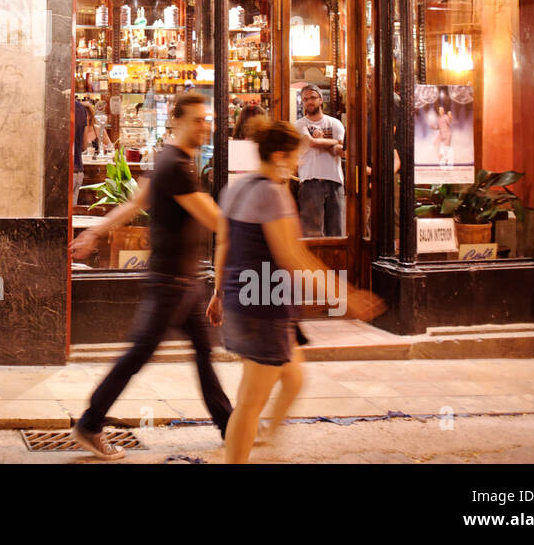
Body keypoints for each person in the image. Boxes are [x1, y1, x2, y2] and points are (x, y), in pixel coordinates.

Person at [68, 92, 234, 461]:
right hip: (171, 282)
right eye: (196, 119)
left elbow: (133, 203)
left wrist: (96, 231)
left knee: (204, 352)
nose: (204, 125)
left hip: (183, 281)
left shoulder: (170, 161)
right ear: (176, 122)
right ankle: (90, 423)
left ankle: (230, 426)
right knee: (138, 354)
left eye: (207, 119)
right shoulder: (174, 165)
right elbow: (217, 221)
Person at [209, 117, 383, 463]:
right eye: (295, 155)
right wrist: (343, 297)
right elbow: (293, 256)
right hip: (262, 305)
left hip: (245, 299)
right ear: (278, 155)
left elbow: (224, 244)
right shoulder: (272, 194)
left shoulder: (236, 189)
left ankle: (267, 442)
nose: (299, 162)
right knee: (249, 404)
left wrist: (217, 293)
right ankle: (243, 451)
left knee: (293, 378)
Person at [295, 84, 345, 238]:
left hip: (335, 181)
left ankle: (335, 263)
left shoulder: (335, 123)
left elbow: (343, 150)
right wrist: (333, 142)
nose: (309, 102)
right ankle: (313, 263)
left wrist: (324, 142)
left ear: (321, 99)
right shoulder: (299, 125)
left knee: (336, 232)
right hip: (310, 182)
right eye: (305, 99)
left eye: (313, 98)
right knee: (312, 233)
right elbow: (311, 142)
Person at [72, 97, 92, 206]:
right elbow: (84, 146)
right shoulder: (80, 108)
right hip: (77, 170)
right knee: (71, 213)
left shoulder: (57, 106)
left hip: (61, 172)